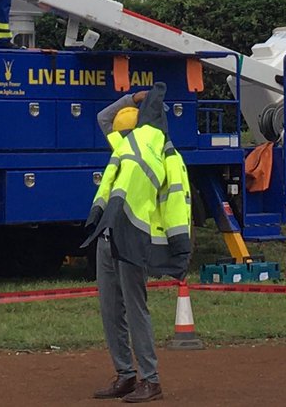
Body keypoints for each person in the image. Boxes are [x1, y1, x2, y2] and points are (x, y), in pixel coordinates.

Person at [85, 83, 193, 404]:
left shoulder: (166, 156)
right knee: (110, 309)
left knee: (135, 309)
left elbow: (174, 204)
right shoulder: (125, 146)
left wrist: (177, 247)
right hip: (107, 236)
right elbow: (105, 118)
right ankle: (126, 375)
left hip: (134, 238)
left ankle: (150, 379)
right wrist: (132, 98)